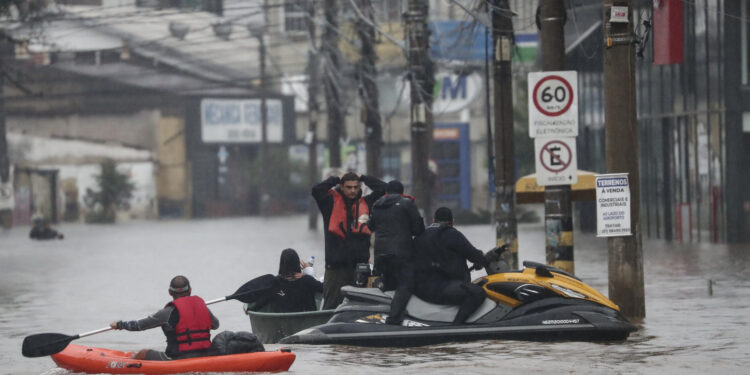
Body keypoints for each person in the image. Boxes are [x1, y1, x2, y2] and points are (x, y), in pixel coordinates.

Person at [312, 171, 386, 310]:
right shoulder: (329, 204)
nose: (353, 190)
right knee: (331, 308)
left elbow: (384, 189)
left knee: (361, 308)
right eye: (348, 187)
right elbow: (317, 190)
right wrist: (336, 179)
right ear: (341, 187)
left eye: (356, 187)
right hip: (336, 270)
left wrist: (364, 177)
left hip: (360, 269)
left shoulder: (367, 204)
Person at [110, 275, 220, 361]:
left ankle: (129, 362)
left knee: (143, 353)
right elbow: (216, 325)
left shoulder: (167, 313)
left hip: (177, 359)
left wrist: (119, 325)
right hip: (205, 354)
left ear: (170, 292)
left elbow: (139, 326)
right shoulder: (203, 308)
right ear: (190, 290)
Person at [413, 207, 489, 324]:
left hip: (421, 288)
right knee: (478, 293)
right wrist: (485, 259)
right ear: (452, 221)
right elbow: (473, 255)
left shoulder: (421, 235)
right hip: (441, 288)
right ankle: (457, 326)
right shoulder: (453, 234)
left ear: (434, 220)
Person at [369, 180, 424, 325]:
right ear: (402, 191)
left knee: (389, 285)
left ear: (387, 191)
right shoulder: (406, 203)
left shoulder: (376, 205)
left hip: (380, 253)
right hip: (401, 252)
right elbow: (418, 229)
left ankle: (382, 315)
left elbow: (371, 226)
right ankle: (394, 319)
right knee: (406, 284)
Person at [270, 248, 324, 312]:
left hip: (282, 321)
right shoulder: (307, 280)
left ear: (281, 264)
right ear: (297, 263)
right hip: (309, 320)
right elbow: (326, 288)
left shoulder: (275, 282)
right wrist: (308, 270)